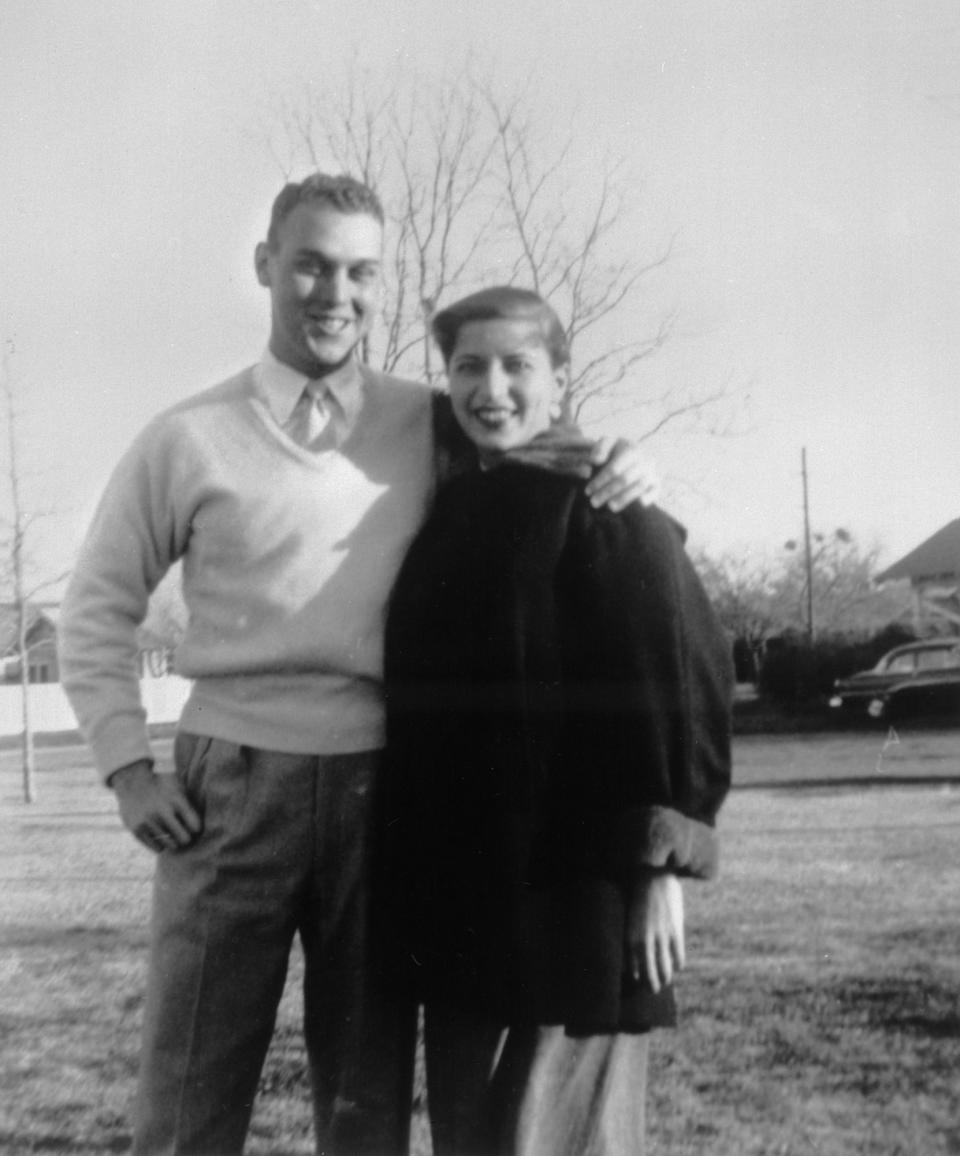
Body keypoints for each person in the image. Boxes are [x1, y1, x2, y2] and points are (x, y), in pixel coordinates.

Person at [57, 174, 657, 1156]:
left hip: (388, 788)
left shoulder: (430, 420)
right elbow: (95, 609)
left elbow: (539, 442)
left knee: (365, 1094)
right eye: (311, 265)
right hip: (229, 783)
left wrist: (632, 459)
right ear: (266, 267)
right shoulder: (185, 435)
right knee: (190, 1081)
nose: (335, 292)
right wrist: (127, 767)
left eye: (361, 272)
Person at [382, 286, 733, 1155]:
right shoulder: (452, 503)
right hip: (465, 896)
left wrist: (659, 871)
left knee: (560, 1139)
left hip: (580, 898)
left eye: (517, 366)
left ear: (560, 379)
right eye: (469, 366)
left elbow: (677, 693)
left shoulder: (608, 506)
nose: (490, 389)